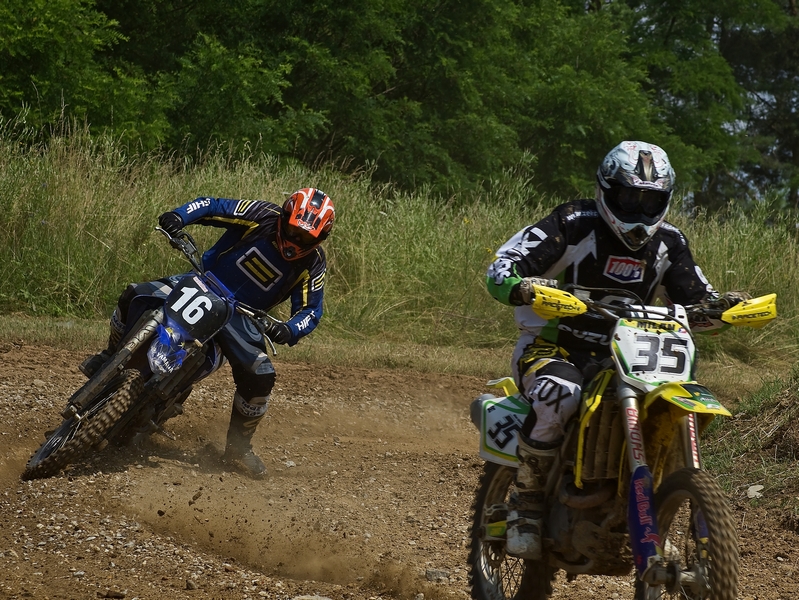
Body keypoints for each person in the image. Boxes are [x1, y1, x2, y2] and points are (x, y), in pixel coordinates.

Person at [485, 141, 748, 560]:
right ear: (606, 190)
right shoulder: (573, 223)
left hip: (633, 355)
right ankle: (527, 503)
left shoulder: (669, 241)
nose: (640, 211)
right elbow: (503, 265)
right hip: (554, 347)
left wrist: (724, 309)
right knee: (559, 395)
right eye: (629, 197)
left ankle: (658, 510)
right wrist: (521, 286)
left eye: (651, 201)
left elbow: (698, 301)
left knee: (670, 405)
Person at [80, 188, 335, 478]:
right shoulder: (262, 214)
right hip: (202, 282)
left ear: (320, 238)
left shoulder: (314, 263)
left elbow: (311, 311)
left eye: (306, 238)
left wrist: (287, 329)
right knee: (135, 295)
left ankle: (238, 448)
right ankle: (109, 356)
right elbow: (213, 206)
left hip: (243, 317)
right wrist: (179, 216)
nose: (296, 240)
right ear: (284, 217)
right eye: (293, 230)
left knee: (261, 375)